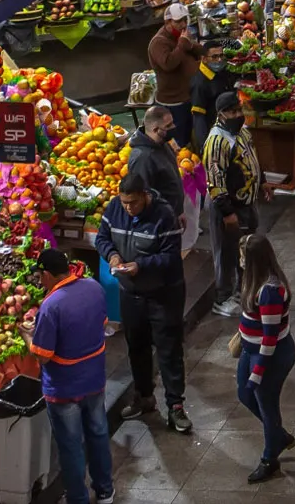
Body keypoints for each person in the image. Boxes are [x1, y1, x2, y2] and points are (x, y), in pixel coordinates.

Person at [95, 171, 191, 433]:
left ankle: (175, 406)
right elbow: (102, 237)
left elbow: (171, 256)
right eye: (124, 202)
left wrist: (141, 266)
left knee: (168, 349)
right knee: (136, 346)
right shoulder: (114, 208)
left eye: (133, 203)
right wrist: (113, 256)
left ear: (145, 196)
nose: (128, 208)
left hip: (164, 294)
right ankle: (143, 397)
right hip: (131, 293)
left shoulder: (164, 215)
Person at [30, 249, 113, 504]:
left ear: (46, 274)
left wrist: (27, 336)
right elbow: (102, 324)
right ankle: (105, 491)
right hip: (94, 379)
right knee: (98, 433)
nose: (39, 281)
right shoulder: (93, 287)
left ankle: (78, 498)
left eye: (40, 276)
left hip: (64, 388)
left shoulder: (51, 305)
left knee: (71, 445)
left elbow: (43, 356)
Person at [236, 233, 295, 483]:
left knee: (267, 405)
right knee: (245, 394)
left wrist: (257, 372)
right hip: (252, 350)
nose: (239, 260)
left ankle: (270, 458)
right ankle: (279, 436)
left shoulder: (269, 291)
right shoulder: (254, 280)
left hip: (270, 355)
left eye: (242, 256)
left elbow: (270, 337)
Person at [202, 91, 261, 318]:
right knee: (226, 253)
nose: (238, 115)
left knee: (245, 250)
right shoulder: (217, 141)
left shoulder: (242, 132)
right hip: (229, 208)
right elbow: (214, 181)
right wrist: (227, 213)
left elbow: (252, 159)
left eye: (239, 110)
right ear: (222, 114)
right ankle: (222, 297)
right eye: (233, 112)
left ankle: (241, 290)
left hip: (248, 203)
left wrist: (262, 182)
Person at [147, 3, 202, 149]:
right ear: (168, 22)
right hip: (173, 102)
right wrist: (183, 44)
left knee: (188, 137)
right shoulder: (158, 42)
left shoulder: (181, 37)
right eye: (178, 21)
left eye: (185, 20)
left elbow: (196, 49)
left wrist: (191, 46)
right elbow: (169, 64)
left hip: (187, 97)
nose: (183, 24)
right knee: (178, 142)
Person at [127, 104, 186, 228]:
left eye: (172, 123)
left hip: (171, 217)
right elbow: (141, 198)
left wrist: (179, 211)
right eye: (168, 126)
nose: (173, 127)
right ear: (155, 130)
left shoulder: (163, 144)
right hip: (158, 224)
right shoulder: (142, 159)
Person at [187, 46, 238, 153]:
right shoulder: (199, 84)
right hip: (214, 132)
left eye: (221, 55)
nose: (219, 60)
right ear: (204, 59)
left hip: (229, 128)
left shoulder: (220, 71)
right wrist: (205, 146)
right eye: (214, 57)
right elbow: (198, 118)